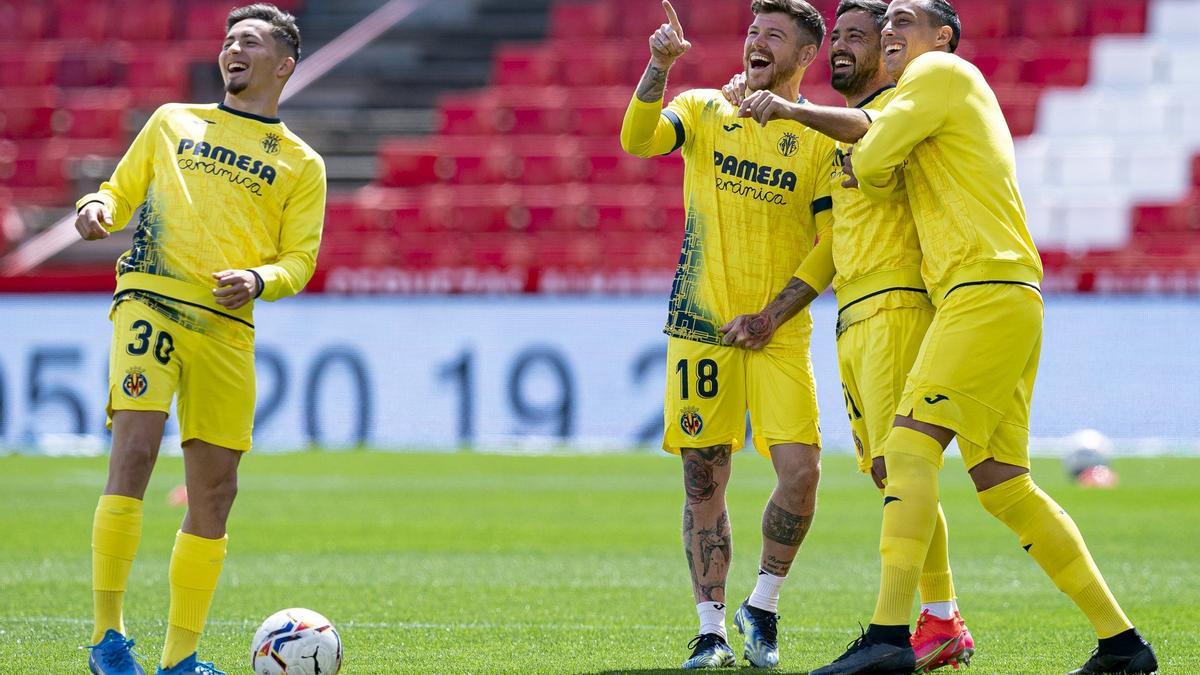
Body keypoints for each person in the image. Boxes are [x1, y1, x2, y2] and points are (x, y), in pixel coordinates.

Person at [794, 1, 1156, 673]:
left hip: (981, 289)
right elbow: (873, 165)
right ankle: (1122, 644)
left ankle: (888, 636)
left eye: (908, 21)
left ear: (944, 37)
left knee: (905, 448)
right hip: (1005, 291)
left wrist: (800, 115)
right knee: (1003, 483)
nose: (893, 32)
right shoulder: (933, 93)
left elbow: (871, 163)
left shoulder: (940, 74)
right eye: (889, 23)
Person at [720, 0, 975, 670]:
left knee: (904, 466)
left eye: (859, 38)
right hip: (856, 314)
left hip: (899, 304)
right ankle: (939, 616)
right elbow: (833, 243)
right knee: (890, 471)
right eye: (836, 37)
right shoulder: (839, 135)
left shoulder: (899, 109)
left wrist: (787, 107)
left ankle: (934, 617)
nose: (842, 48)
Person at [76, 4, 326, 674]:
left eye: (249, 41)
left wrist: (257, 276)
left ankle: (179, 659)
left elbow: (299, 261)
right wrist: (95, 208)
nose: (232, 49)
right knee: (133, 449)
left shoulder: (302, 164)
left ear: (283, 65)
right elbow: (115, 193)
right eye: (228, 40)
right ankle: (107, 639)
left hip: (226, 325)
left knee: (215, 491)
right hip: (150, 302)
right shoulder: (171, 122)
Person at [620, 0, 835, 668]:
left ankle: (761, 606)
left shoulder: (820, 137)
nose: (756, 43)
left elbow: (832, 245)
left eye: (774, 35)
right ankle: (710, 628)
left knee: (801, 473)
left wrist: (773, 312)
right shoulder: (706, 108)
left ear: (805, 56)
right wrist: (658, 65)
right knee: (701, 477)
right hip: (701, 325)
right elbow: (637, 138)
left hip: (778, 332)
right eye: (752, 31)